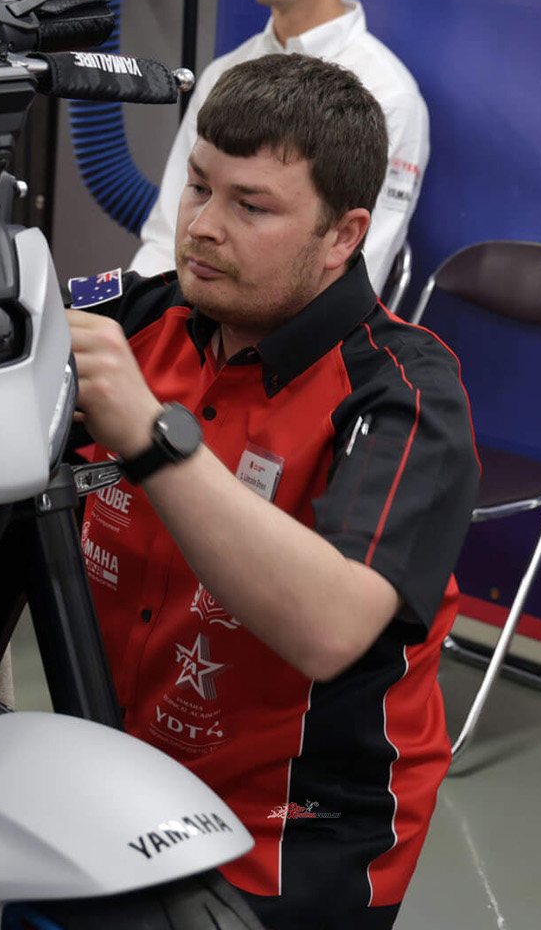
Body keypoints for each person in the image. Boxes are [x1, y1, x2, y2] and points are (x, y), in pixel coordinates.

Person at [69, 53, 477, 929]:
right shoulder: (140, 321)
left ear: (342, 236)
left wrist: (149, 436)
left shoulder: (404, 394)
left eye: (251, 206)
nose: (202, 227)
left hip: (288, 836)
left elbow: (332, 627)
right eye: (198, 187)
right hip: (109, 779)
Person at [130, 0, 427, 300]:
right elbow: (167, 232)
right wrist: (134, 319)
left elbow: (358, 271)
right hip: (193, 315)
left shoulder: (388, 93)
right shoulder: (224, 73)